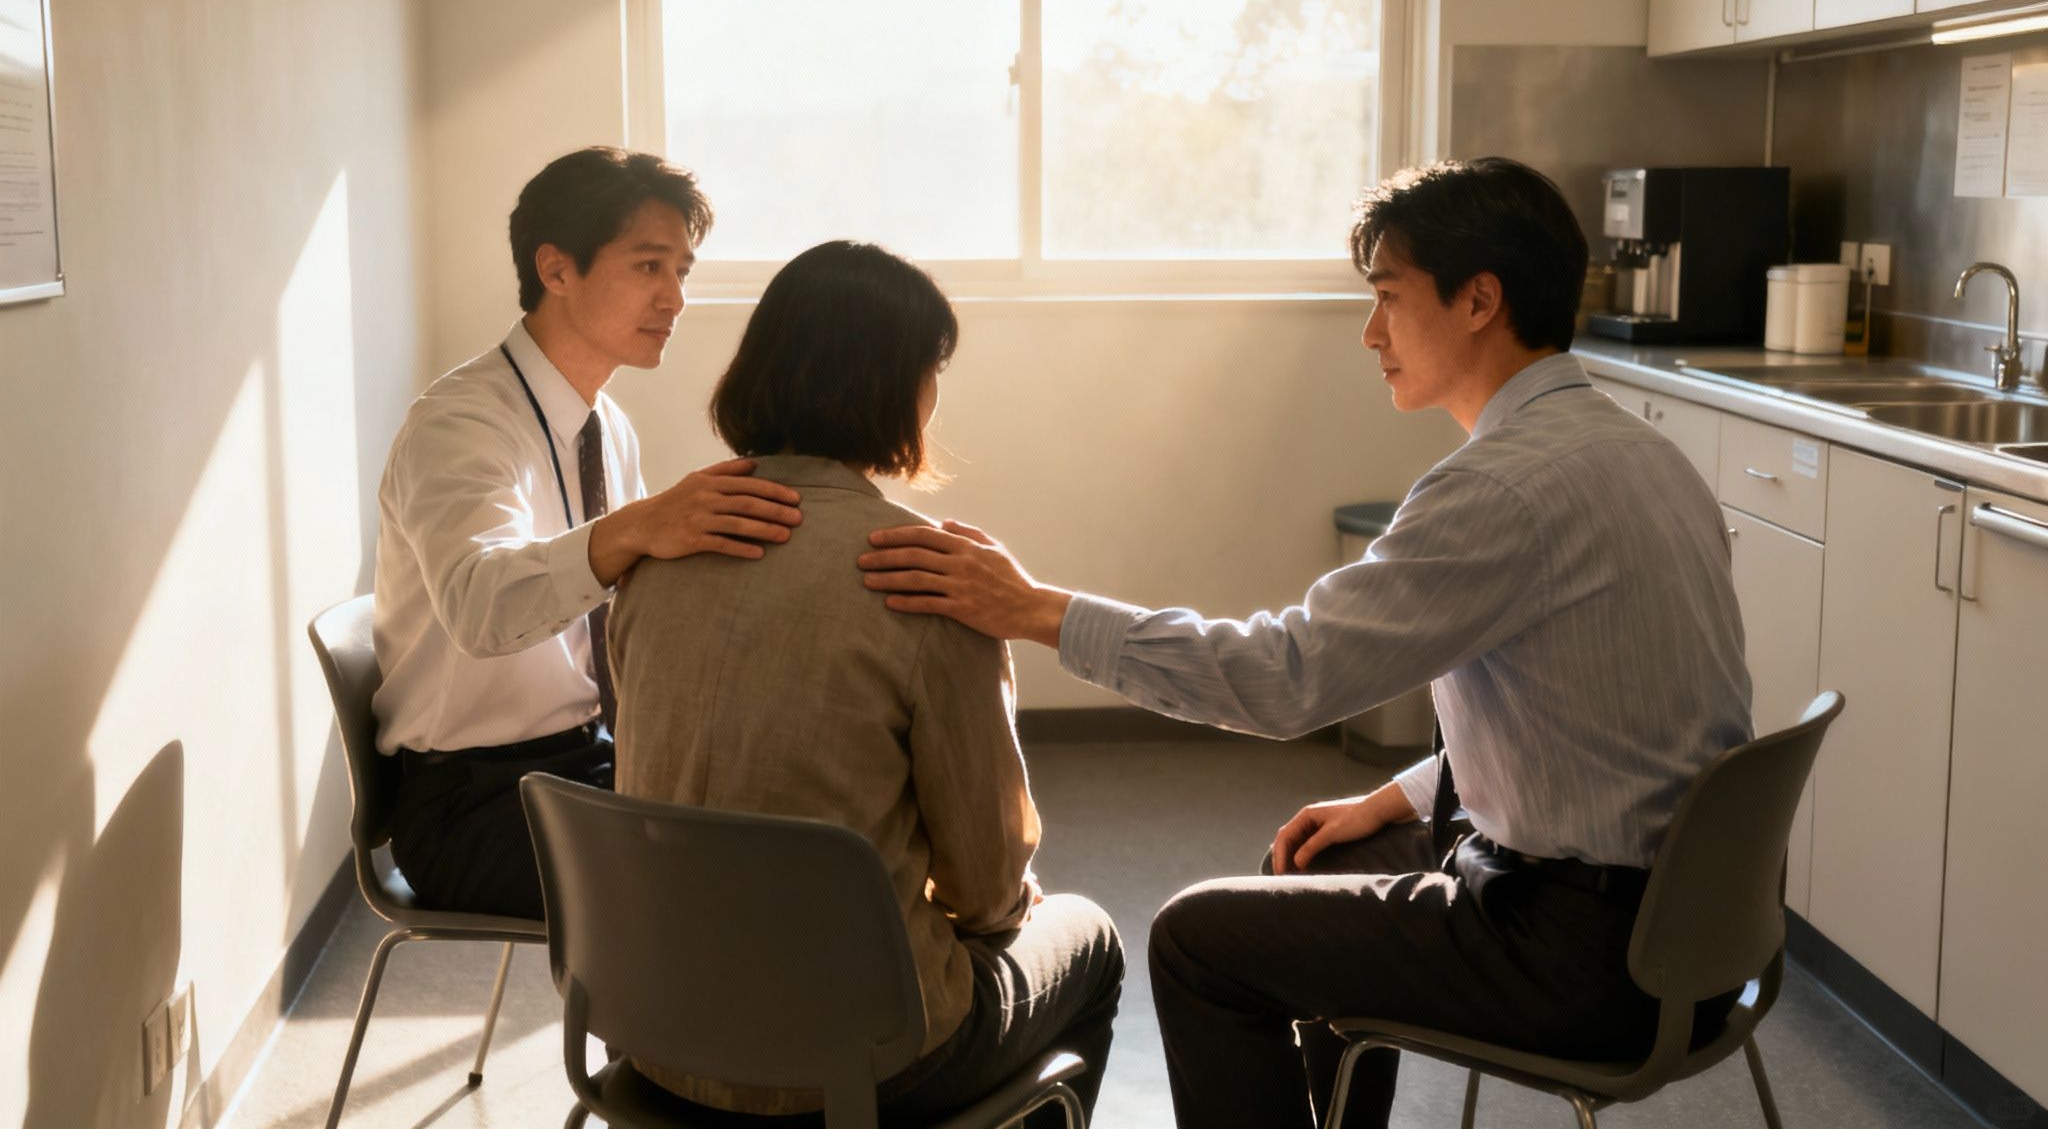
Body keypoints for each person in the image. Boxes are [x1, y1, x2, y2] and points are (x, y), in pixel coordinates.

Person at [855, 158, 1753, 1128]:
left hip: (1581, 955)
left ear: (1478, 300)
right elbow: (1597, 713)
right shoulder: (1643, 455)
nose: (1369, 335)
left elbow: (1284, 678)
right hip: (1695, 931)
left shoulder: (1495, 490)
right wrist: (1396, 795)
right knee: (1320, 858)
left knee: (1197, 941)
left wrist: (1037, 611)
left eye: (1386, 299)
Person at [608, 240, 1123, 1123]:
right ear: (902, 387)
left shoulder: (657, 549)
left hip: (655, 1036)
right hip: (860, 1066)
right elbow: (986, 884)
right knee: (1092, 941)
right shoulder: (924, 576)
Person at [370, 146, 804, 920]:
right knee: (731, 888)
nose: (674, 298)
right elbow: (482, 608)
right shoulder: (461, 424)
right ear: (556, 269)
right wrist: (638, 527)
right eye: (648, 267)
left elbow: (634, 602)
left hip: (586, 762)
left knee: (798, 812)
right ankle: (654, 1045)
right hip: (469, 804)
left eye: (683, 272)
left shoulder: (607, 426)